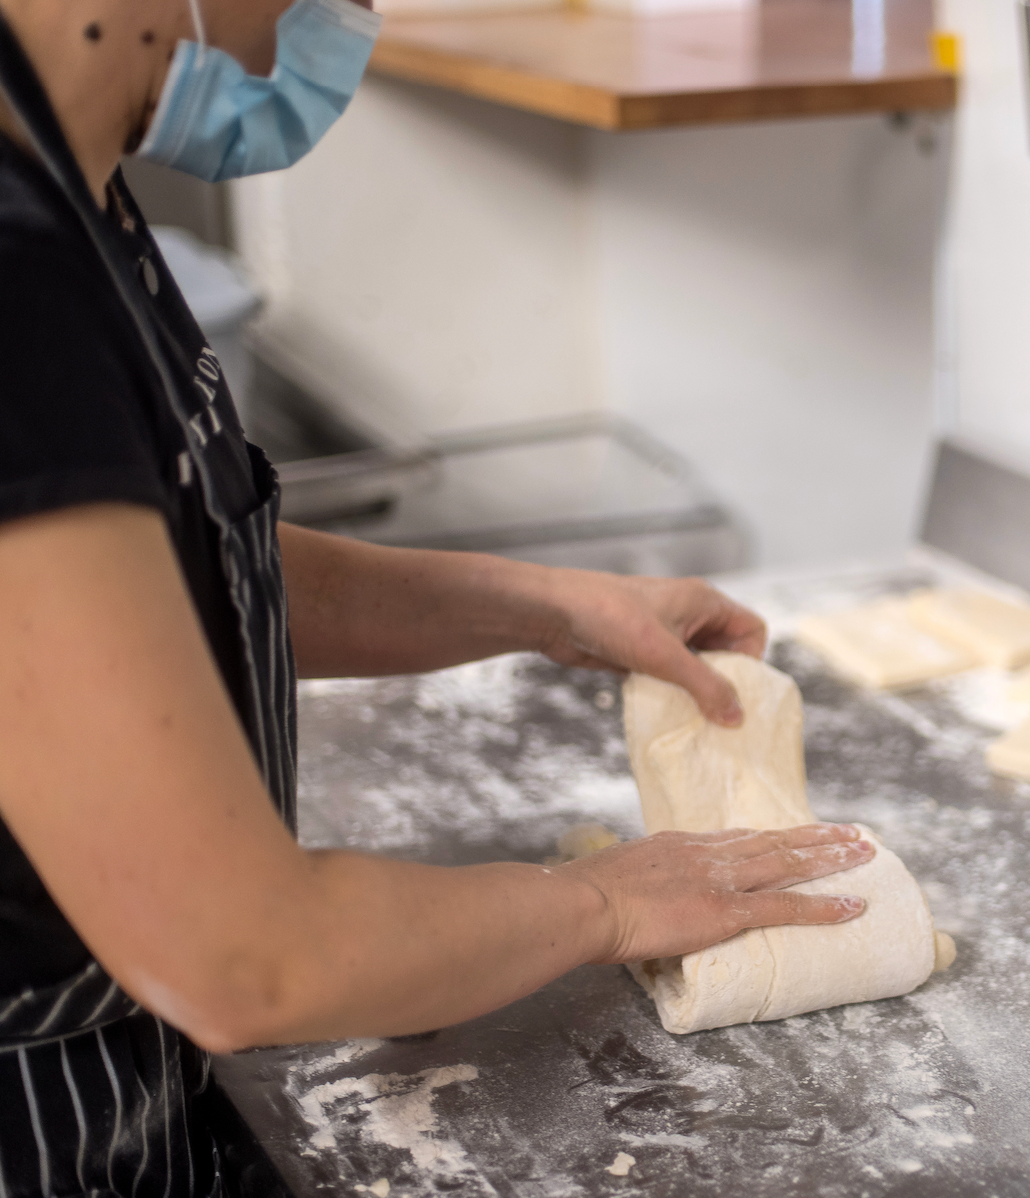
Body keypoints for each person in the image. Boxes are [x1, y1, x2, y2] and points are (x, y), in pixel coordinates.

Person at [0, 0, 873, 1193]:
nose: (343, 19)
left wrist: (549, 607)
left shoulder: (72, 191)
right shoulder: (16, 287)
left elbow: (151, 590)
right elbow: (246, 956)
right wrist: (607, 904)